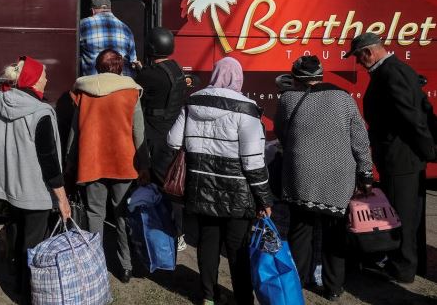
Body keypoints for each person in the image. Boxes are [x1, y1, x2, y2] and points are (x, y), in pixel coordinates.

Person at [167, 57, 273, 305]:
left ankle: (208, 297)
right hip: (237, 191)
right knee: (237, 247)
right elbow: (253, 162)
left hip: (200, 186)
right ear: (238, 77)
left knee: (207, 242)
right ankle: (244, 299)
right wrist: (264, 199)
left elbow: (173, 140)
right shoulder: (247, 109)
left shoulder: (193, 101)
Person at [274, 55, 373, 301]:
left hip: (301, 173)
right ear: (321, 74)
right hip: (338, 176)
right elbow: (360, 139)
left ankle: (298, 280)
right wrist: (366, 173)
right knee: (335, 232)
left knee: (300, 228)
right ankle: (334, 287)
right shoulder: (344, 98)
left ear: (296, 77)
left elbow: (282, 133)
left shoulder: (288, 98)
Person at [345, 32, 436, 284]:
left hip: (400, 157)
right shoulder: (399, 69)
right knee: (412, 213)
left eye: (359, 58)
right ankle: (413, 264)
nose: (359, 64)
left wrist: (428, 149)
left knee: (402, 215)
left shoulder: (391, 73)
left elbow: (411, 117)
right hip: (406, 155)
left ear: (369, 53)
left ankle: (403, 267)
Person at [0, 56, 71, 305]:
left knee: (18, 237)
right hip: (35, 192)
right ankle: (31, 294)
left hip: (9, 188)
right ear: (32, 79)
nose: (47, 78)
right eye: (43, 75)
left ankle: (18, 283)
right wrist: (62, 198)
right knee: (34, 247)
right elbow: (49, 159)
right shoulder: (41, 112)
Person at [66, 49, 151, 283]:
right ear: (120, 67)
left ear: (98, 66)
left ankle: (96, 265)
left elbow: (75, 131)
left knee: (94, 214)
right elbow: (139, 132)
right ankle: (125, 266)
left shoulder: (83, 91)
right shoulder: (131, 91)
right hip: (124, 163)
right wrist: (144, 165)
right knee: (122, 215)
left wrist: (70, 161)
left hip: (91, 162)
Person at [134, 27, 187, 251]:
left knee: (157, 185)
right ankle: (179, 231)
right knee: (171, 185)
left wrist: (140, 70)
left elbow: (142, 90)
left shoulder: (148, 75)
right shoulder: (176, 70)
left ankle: (166, 231)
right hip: (173, 132)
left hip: (154, 135)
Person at [79, 0, 139, 77]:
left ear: (92, 11)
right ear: (110, 10)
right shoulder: (126, 28)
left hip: (95, 84)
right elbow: (133, 61)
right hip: (122, 83)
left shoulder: (83, 24)